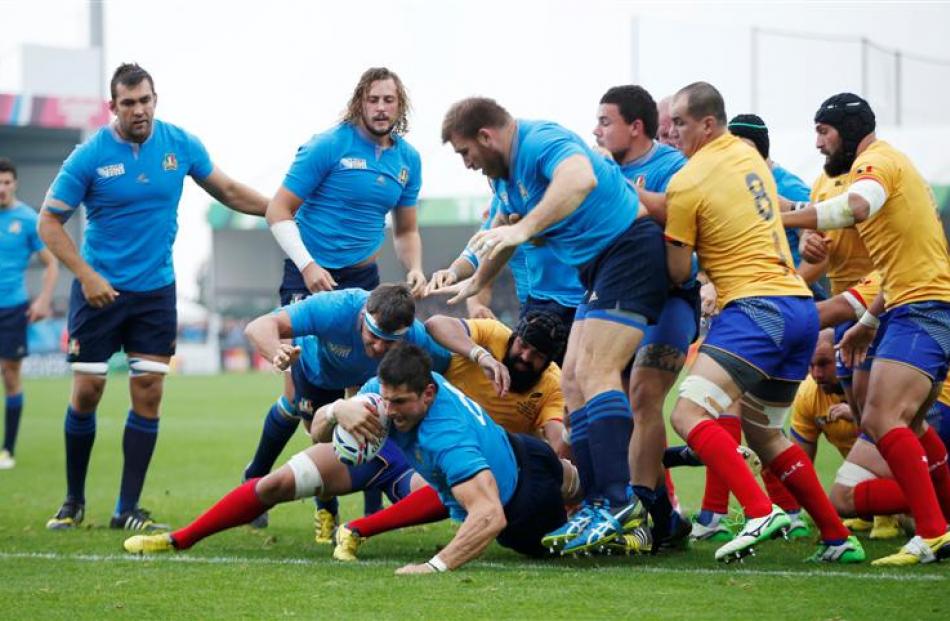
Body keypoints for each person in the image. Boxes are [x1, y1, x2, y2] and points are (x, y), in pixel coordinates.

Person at [39, 63, 269, 531]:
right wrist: (85, 276)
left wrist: (279, 208)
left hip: (155, 291)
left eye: (145, 100)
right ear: (114, 107)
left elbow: (225, 189)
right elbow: (49, 221)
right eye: (129, 103)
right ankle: (73, 500)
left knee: (148, 393)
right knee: (88, 391)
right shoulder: (88, 157)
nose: (139, 110)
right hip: (99, 290)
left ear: (155, 99)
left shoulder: (179, 144)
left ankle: (127, 508)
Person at [440, 97, 669, 554]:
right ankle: (596, 502)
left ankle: (620, 504)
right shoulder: (503, 179)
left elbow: (579, 178)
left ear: (486, 136)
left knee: (599, 373)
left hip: (630, 248)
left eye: (465, 152)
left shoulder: (541, 139)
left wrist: (524, 231)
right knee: (572, 380)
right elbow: (506, 230)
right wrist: (477, 282)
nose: (466, 164)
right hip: (599, 267)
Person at [663, 82, 863, 564]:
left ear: (707, 124)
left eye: (680, 124)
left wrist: (673, 230)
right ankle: (838, 538)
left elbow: (677, 271)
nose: (674, 133)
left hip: (754, 309)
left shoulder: (687, 181)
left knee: (687, 414)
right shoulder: (751, 159)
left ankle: (758, 510)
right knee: (766, 433)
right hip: (799, 309)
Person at [782, 92, 950, 566]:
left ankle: (933, 530)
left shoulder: (873, 164)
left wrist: (782, 219)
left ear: (849, 130)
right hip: (907, 304)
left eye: (824, 132)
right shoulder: (886, 163)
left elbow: (854, 208)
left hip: (922, 306)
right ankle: (940, 523)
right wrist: (870, 321)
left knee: (880, 417)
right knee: (909, 423)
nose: (818, 143)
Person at [253, 67, 426, 523]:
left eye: (390, 100)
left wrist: (414, 268)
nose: (382, 108)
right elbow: (278, 209)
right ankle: (255, 480)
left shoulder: (407, 161)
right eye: (374, 99)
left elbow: (405, 229)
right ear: (360, 102)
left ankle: (361, 505)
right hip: (307, 273)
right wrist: (308, 265)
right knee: (302, 404)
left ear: (400, 105)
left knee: (367, 396)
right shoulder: (328, 146)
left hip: (363, 278)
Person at [330, 311, 589, 561]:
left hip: (514, 467)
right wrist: (337, 408)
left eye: (537, 355)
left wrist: (568, 433)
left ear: (549, 362)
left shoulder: (552, 384)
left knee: (574, 493)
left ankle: (607, 507)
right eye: (522, 345)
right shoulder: (493, 335)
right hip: (485, 453)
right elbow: (437, 324)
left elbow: (557, 442)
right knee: (295, 477)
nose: (524, 356)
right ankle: (353, 526)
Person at [241, 283, 451, 537]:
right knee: (322, 438)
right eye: (373, 337)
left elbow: (449, 364)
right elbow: (257, 327)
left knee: (371, 426)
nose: (379, 349)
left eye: (389, 343)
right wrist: (277, 352)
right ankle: (324, 504)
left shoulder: (415, 336)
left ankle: (371, 513)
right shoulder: (336, 308)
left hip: (365, 381)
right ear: (362, 317)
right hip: (317, 373)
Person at [585, 84, 696, 550]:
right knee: (598, 393)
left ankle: (647, 510)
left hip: (670, 299)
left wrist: (634, 198)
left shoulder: (673, 166)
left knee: (645, 395)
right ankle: (643, 513)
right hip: (614, 298)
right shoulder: (597, 168)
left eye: (605, 121)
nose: (596, 130)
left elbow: (686, 215)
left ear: (636, 126)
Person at [375, 343, 576, 573]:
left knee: (580, 541)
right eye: (386, 400)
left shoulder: (447, 437)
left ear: (428, 393)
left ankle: (611, 518)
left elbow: (490, 515)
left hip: (526, 505)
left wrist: (434, 566)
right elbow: (325, 428)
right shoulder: (400, 383)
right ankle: (612, 500)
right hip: (524, 448)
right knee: (576, 482)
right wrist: (336, 411)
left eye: (399, 402)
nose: (388, 410)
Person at [427, 197, 584, 346]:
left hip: (579, 306)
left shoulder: (546, 188)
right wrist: (473, 301)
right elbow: (476, 259)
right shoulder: (500, 206)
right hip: (534, 312)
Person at [0, 158, 59, 470]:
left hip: (12, 307)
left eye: (7, 182)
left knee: (10, 375)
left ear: (15, 183)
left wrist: (43, 300)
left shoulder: (26, 219)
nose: (2, 188)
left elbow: (51, 262)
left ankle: (7, 449)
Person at [727, 114, 812, 268]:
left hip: (788, 286)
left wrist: (793, 286)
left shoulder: (790, 188)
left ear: (761, 150)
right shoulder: (741, 184)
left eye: (744, 150)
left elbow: (820, 256)